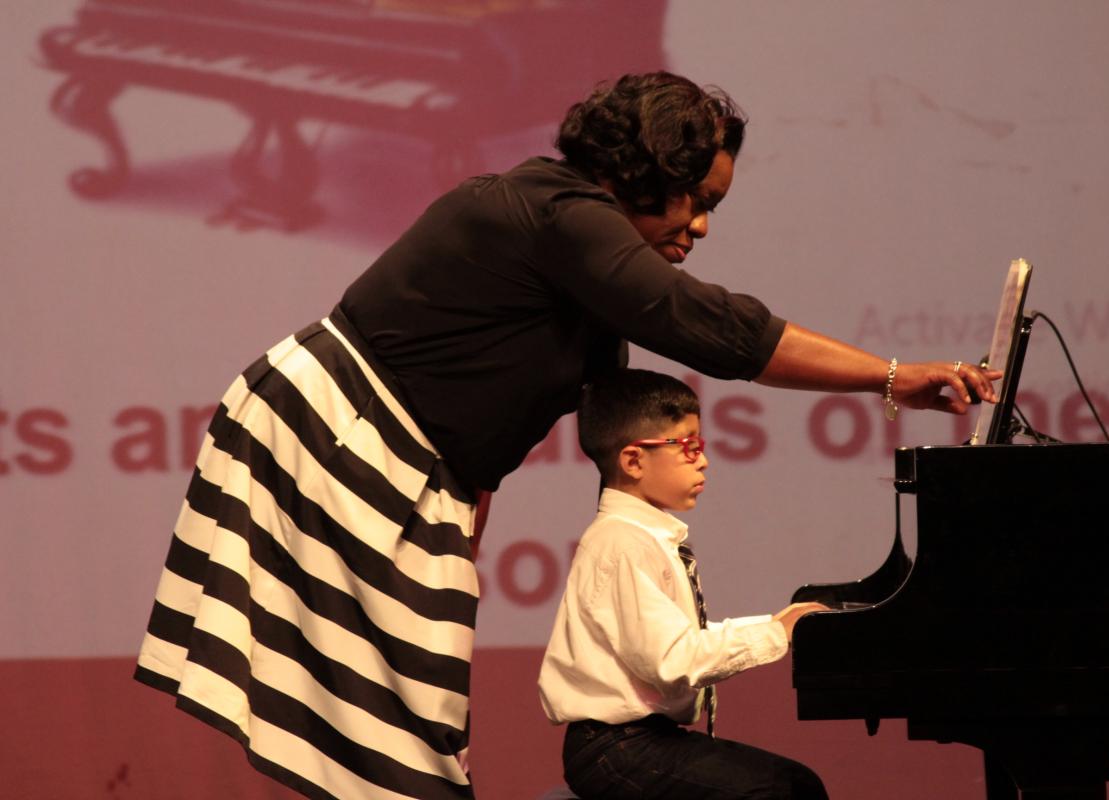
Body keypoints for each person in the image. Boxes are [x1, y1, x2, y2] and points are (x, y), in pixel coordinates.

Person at [133, 71, 999, 800]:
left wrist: (473, 503)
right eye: (695, 199)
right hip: (332, 434)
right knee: (393, 750)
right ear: (647, 169)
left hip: (408, 466)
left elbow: (534, 406)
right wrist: (892, 376)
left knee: (407, 741)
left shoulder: (584, 262)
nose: (699, 226)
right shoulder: (560, 213)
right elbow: (713, 328)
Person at [539, 368, 830, 799]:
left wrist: (778, 622)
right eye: (688, 446)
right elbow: (674, 660)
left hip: (636, 742)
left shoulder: (641, 537)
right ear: (634, 460)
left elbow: (677, 640)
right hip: (616, 749)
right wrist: (776, 634)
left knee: (795, 784)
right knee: (782, 791)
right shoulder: (622, 542)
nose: (704, 459)